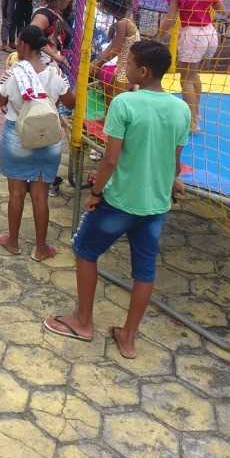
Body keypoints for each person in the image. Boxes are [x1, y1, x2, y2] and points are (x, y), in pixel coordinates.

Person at [44, 39, 190, 359]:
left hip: (120, 200)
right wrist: (172, 183)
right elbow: (174, 161)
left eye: (130, 64)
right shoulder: (181, 109)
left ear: (144, 71)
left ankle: (83, 321)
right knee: (144, 270)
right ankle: (128, 337)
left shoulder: (125, 104)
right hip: (156, 204)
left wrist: (95, 193)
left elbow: (110, 159)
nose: (125, 70)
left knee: (85, 250)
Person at [0, 25, 74, 260]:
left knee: (16, 194)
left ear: (23, 45)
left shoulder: (13, 72)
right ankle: (41, 248)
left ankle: (13, 241)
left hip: (17, 138)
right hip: (48, 139)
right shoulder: (55, 73)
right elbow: (71, 102)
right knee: (40, 195)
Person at [158, 0, 221, 132]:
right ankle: (197, 113)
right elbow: (219, 7)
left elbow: (170, 20)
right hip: (210, 34)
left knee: (184, 78)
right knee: (193, 74)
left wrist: (158, 36)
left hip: (192, 35)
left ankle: (192, 121)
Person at [91, 0, 140, 101]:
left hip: (125, 69)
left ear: (110, 8)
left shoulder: (122, 24)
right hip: (122, 65)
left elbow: (116, 48)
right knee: (109, 91)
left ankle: (112, 117)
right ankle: (106, 116)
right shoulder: (125, 21)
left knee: (116, 97)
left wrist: (97, 63)